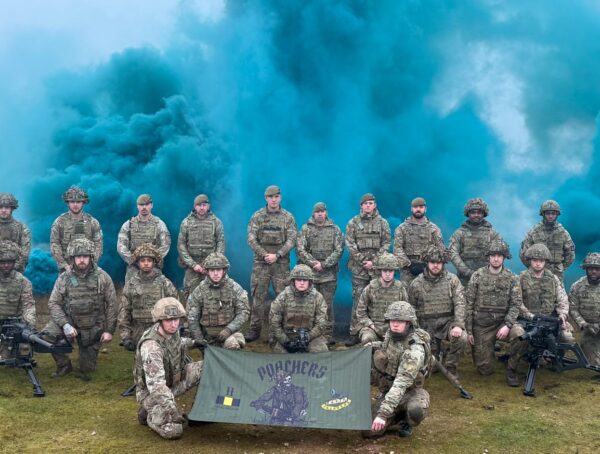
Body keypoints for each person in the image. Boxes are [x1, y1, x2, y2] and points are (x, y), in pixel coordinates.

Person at [42, 238, 117, 381]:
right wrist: (65, 324)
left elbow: (112, 304)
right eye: (78, 257)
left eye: (85, 256)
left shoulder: (102, 277)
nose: (82, 260)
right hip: (70, 321)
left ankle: (86, 353)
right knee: (46, 336)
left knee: (87, 369)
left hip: (93, 326)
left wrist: (109, 330)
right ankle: (64, 364)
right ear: (73, 258)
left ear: (91, 257)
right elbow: (54, 303)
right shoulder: (64, 278)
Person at [134, 297, 203, 440]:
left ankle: (202, 412)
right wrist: (173, 411)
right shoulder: (151, 347)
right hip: (153, 393)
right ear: (160, 321)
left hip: (175, 381)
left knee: (207, 368)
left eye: (176, 320)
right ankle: (150, 415)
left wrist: (194, 342)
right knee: (174, 430)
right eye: (168, 320)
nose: (173, 324)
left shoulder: (172, 331)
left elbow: (176, 343)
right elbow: (157, 386)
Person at [506, 243, 574, 386]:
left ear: (545, 262)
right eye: (535, 260)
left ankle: (555, 359)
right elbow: (517, 302)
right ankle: (512, 368)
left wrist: (562, 315)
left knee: (567, 337)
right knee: (520, 337)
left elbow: (562, 299)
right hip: (526, 320)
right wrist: (530, 316)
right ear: (530, 261)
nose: (538, 263)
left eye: (541, 260)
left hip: (549, 320)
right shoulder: (521, 278)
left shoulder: (553, 279)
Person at [366, 301, 432, 439]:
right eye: (393, 320)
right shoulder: (391, 335)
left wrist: (383, 414)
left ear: (408, 323)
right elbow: (386, 347)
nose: (395, 324)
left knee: (415, 411)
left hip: (410, 392)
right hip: (390, 391)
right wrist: (371, 345)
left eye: (400, 321)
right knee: (368, 431)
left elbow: (401, 383)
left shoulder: (414, 350)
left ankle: (407, 420)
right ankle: (396, 416)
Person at [246, 185, 297, 342]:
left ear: (280, 197)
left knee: (282, 298)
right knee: (257, 298)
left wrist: (278, 255)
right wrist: (264, 255)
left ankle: (280, 331)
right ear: (265, 198)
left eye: (276, 197)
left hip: (280, 265)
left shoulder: (288, 217)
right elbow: (251, 239)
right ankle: (255, 330)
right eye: (270, 197)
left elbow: (292, 239)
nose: (273, 200)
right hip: (261, 264)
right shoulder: (257, 216)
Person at [408, 244, 467, 380]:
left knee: (462, 337)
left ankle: (451, 366)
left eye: (439, 263)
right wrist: (415, 331)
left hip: (447, 323)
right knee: (430, 368)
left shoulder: (452, 280)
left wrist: (458, 325)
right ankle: (433, 359)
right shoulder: (416, 284)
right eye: (433, 262)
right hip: (426, 325)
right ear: (427, 263)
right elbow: (411, 309)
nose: (436, 265)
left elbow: (460, 303)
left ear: (443, 263)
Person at [466, 240, 521, 377]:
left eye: (499, 255)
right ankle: (488, 356)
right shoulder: (477, 276)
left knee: (521, 336)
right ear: (488, 257)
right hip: (482, 326)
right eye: (493, 255)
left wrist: (508, 325)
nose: (496, 259)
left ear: (504, 257)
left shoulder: (512, 278)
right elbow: (469, 303)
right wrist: (469, 330)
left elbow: (516, 304)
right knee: (485, 370)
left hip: (503, 323)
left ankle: (511, 367)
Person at [345, 193, 391, 346]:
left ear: (375, 205)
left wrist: (375, 261)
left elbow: (386, 243)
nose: (368, 206)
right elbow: (350, 244)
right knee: (358, 301)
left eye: (371, 203)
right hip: (359, 269)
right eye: (365, 203)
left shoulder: (382, 223)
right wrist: (363, 260)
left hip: (377, 270)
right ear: (361, 206)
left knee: (378, 300)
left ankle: (379, 331)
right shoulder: (353, 222)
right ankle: (354, 332)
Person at [296, 202, 344, 344]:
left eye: (322, 211)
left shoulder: (335, 229)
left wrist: (324, 264)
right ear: (313, 213)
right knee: (307, 305)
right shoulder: (306, 229)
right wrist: (313, 263)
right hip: (308, 276)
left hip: (328, 275)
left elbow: (339, 249)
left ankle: (327, 336)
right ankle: (307, 335)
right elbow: (300, 249)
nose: (320, 214)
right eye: (317, 211)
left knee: (327, 306)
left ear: (326, 212)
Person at [118, 243, 178, 351]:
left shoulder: (164, 283)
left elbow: (175, 307)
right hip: (138, 332)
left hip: (160, 330)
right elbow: (124, 311)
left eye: (149, 260)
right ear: (137, 263)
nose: (146, 263)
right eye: (142, 261)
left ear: (154, 262)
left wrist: (173, 330)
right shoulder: (131, 284)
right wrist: (126, 336)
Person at [187, 252, 249, 349]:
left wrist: (229, 330)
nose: (216, 273)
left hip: (229, 334)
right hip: (206, 337)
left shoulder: (234, 288)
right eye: (212, 270)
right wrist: (199, 339)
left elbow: (244, 312)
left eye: (219, 269)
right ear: (207, 271)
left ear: (224, 270)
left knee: (232, 346)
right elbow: (192, 317)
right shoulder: (199, 291)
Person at [268, 264, 328, 353]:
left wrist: (308, 336)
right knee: (280, 355)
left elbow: (322, 323)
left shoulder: (317, 297)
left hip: (310, 336)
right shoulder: (283, 296)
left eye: (305, 280)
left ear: (310, 281)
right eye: (299, 280)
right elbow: (274, 322)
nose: (302, 283)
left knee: (320, 352)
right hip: (286, 336)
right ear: (293, 281)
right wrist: (285, 342)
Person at [177, 194, 225, 299]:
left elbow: (220, 243)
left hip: (211, 269)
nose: (202, 207)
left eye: (204, 205)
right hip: (192, 267)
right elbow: (181, 245)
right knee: (191, 296)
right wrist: (193, 265)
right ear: (195, 206)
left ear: (208, 206)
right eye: (199, 205)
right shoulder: (186, 222)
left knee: (213, 296)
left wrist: (212, 263)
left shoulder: (216, 222)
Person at [356, 252, 408, 345]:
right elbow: (360, 312)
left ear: (394, 272)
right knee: (367, 339)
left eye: (390, 271)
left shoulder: (400, 288)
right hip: (373, 328)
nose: (387, 274)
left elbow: (407, 311)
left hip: (394, 328)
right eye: (385, 271)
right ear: (380, 271)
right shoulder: (370, 288)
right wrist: (371, 325)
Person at [449, 198, 502, 288]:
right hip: (464, 281)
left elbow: (500, 253)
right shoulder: (459, 233)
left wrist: (490, 272)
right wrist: (467, 272)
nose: (476, 215)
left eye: (479, 212)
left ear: (484, 214)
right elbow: (453, 253)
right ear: (468, 214)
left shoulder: (493, 234)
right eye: (473, 212)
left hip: (488, 279)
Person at [117, 194, 171, 280]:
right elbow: (121, 246)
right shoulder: (129, 224)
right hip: (134, 268)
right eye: (141, 205)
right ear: (137, 206)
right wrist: (133, 260)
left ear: (151, 205)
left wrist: (153, 260)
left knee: (155, 292)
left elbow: (165, 245)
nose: (144, 207)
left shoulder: (159, 224)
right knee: (131, 292)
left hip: (153, 267)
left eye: (147, 204)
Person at [519, 200, 575, 281]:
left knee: (557, 293)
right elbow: (523, 253)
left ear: (557, 215)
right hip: (536, 272)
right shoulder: (534, 232)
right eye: (548, 213)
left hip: (556, 273)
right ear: (543, 214)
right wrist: (534, 266)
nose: (551, 216)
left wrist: (561, 267)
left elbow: (570, 254)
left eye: (553, 213)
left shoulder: (563, 233)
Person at [50, 186, 103, 273]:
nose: (75, 205)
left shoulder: (93, 222)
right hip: (66, 269)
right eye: (72, 202)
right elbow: (54, 244)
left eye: (78, 202)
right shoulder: (59, 222)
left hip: (88, 269)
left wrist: (91, 264)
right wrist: (64, 265)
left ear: (83, 203)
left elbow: (98, 245)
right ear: (68, 203)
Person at [393, 197, 444, 286]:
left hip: (428, 271)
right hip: (407, 272)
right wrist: (409, 265)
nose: (418, 209)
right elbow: (397, 249)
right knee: (407, 297)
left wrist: (429, 265)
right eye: (416, 207)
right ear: (411, 209)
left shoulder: (434, 229)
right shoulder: (402, 228)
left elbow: (441, 250)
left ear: (425, 209)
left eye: (421, 207)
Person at [0, 240, 36, 359]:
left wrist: (28, 323)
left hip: (13, 325)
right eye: (2, 262)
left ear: (14, 262)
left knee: (14, 359)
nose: (5, 265)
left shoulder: (23, 282)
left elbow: (29, 306)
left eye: (9, 262)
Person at [569, 252, 600, 366]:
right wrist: (584, 324)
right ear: (586, 269)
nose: (594, 271)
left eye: (597, 269)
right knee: (594, 365)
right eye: (590, 268)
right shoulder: (577, 286)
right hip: (589, 329)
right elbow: (573, 309)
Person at [0, 193, 31, 272]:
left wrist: (15, 267)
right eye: (1, 207)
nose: (3, 210)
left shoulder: (21, 227)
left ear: (12, 209)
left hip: (15, 270)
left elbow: (25, 251)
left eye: (6, 207)